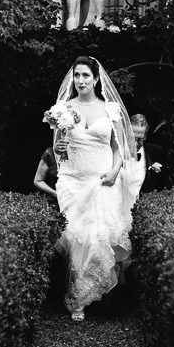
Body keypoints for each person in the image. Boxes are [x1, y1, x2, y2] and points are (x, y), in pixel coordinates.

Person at [49, 56, 138, 321]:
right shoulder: (63, 108)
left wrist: (113, 172)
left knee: (98, 236)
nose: (80, 81)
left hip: (102, 180)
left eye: (86, 76)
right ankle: (77, 296)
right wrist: (58, 148)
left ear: (96, 79)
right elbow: (58, 147)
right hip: (73, 180)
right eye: (77, 75)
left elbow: (118, 148)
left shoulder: (109, 110)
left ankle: (91, 294)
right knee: (77, 238)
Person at [129, 113, 166, 193]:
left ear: (145, 136)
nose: (135, 143)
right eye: (132, 138)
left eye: (139, 139)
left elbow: (161, 185)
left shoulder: (156, 152)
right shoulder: (115, 152)